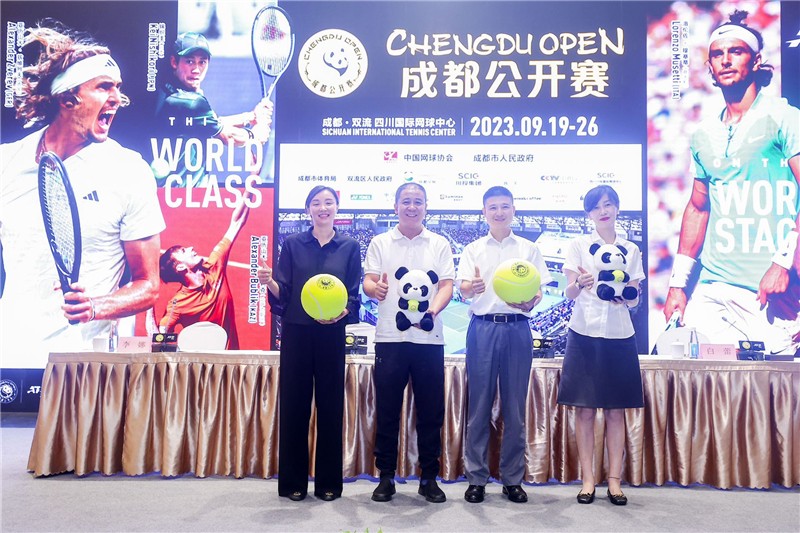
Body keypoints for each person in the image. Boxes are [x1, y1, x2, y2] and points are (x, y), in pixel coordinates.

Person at [0, 24, 164, 367]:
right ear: (67, 99)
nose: (117, 98)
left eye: (118, 88)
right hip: (10, 357)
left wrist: (95, 307)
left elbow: (148, 286)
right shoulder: (6, 163)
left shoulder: (129, 171)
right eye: (104, 87)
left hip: (83, 368)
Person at [663, 10, 800, 356]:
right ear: (709, 66)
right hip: (713, 288)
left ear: (756, 60)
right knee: (706, 383)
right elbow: (698, 208)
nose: (725, 60)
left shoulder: (785, 117)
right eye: (717, 54)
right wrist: (678, 285)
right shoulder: (703, 134)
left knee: (769, 388)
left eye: (736, 51)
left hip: (771, 289)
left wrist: (783, 262)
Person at [256, 185, 361, 502]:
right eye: (316, 203)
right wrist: (268, 282)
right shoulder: (292, 244)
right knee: (294, 407)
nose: (323, 208)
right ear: (308, 210)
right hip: (297, 333)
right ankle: (293, 483)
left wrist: (343, 312)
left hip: (332, 334)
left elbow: (353, 294)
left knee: (331, 408)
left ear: (337, 208)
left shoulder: (350, 246)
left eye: (329, 202)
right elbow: (284, 293)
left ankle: (329, 483)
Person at [456, 186, 552, 504]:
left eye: (505, 206)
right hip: (482, 329)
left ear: (514, 209)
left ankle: (512, 479)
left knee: (515, 409)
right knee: (478, 407)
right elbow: (463, 289)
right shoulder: (473, 249)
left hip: (517, 329)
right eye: (493, 207)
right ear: (484, 212)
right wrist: (472, 287)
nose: (499, 212)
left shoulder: (528, 249)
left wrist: (532, 302)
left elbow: (538, 290)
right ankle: (476, 478)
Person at [362, 182, 455, 504]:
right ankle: (386, 476)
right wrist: (374, 289)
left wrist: (433, 310)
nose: (412, 207)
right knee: (387, 410)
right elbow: (369, 280)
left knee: (431, 412)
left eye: (418, 201)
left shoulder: (439, 243)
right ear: (396, 207)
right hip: (391, 338)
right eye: (406, 201)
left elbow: (446, 285)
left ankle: (429, 477)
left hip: (430, 339)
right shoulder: (380, 242)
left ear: (426, 207)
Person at [557, 185, 644, 506]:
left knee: (615, 410)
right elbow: (568, 292)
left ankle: (615, 481)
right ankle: (588, 479)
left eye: (608, 204)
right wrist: (578, 284)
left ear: (617, 208)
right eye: (596, 207)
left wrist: (628, 297)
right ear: (589, 214)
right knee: (584, 410)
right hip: (584, 332)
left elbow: (634, 297)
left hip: (620, 334)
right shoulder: (578, 245)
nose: (603, 211)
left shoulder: (631, 249)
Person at [153, 31, 272, 188]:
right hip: (181, 195)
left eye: (202, 62)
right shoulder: (190, 102)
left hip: (176, 194)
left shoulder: (170, 93)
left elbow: (211, 123)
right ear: (174, 62)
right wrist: (256, 134)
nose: (196, 69)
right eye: (189, 61)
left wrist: (251, 116)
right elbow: (228, 136)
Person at [158, 193, 254, 349]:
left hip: (233, 360)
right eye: (183, 251)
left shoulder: (214, 266)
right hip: (203, 363)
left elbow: (236, 222)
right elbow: (160, 338)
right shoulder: (177, 304)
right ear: (181, 267)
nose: (191, 248)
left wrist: (251, 185)